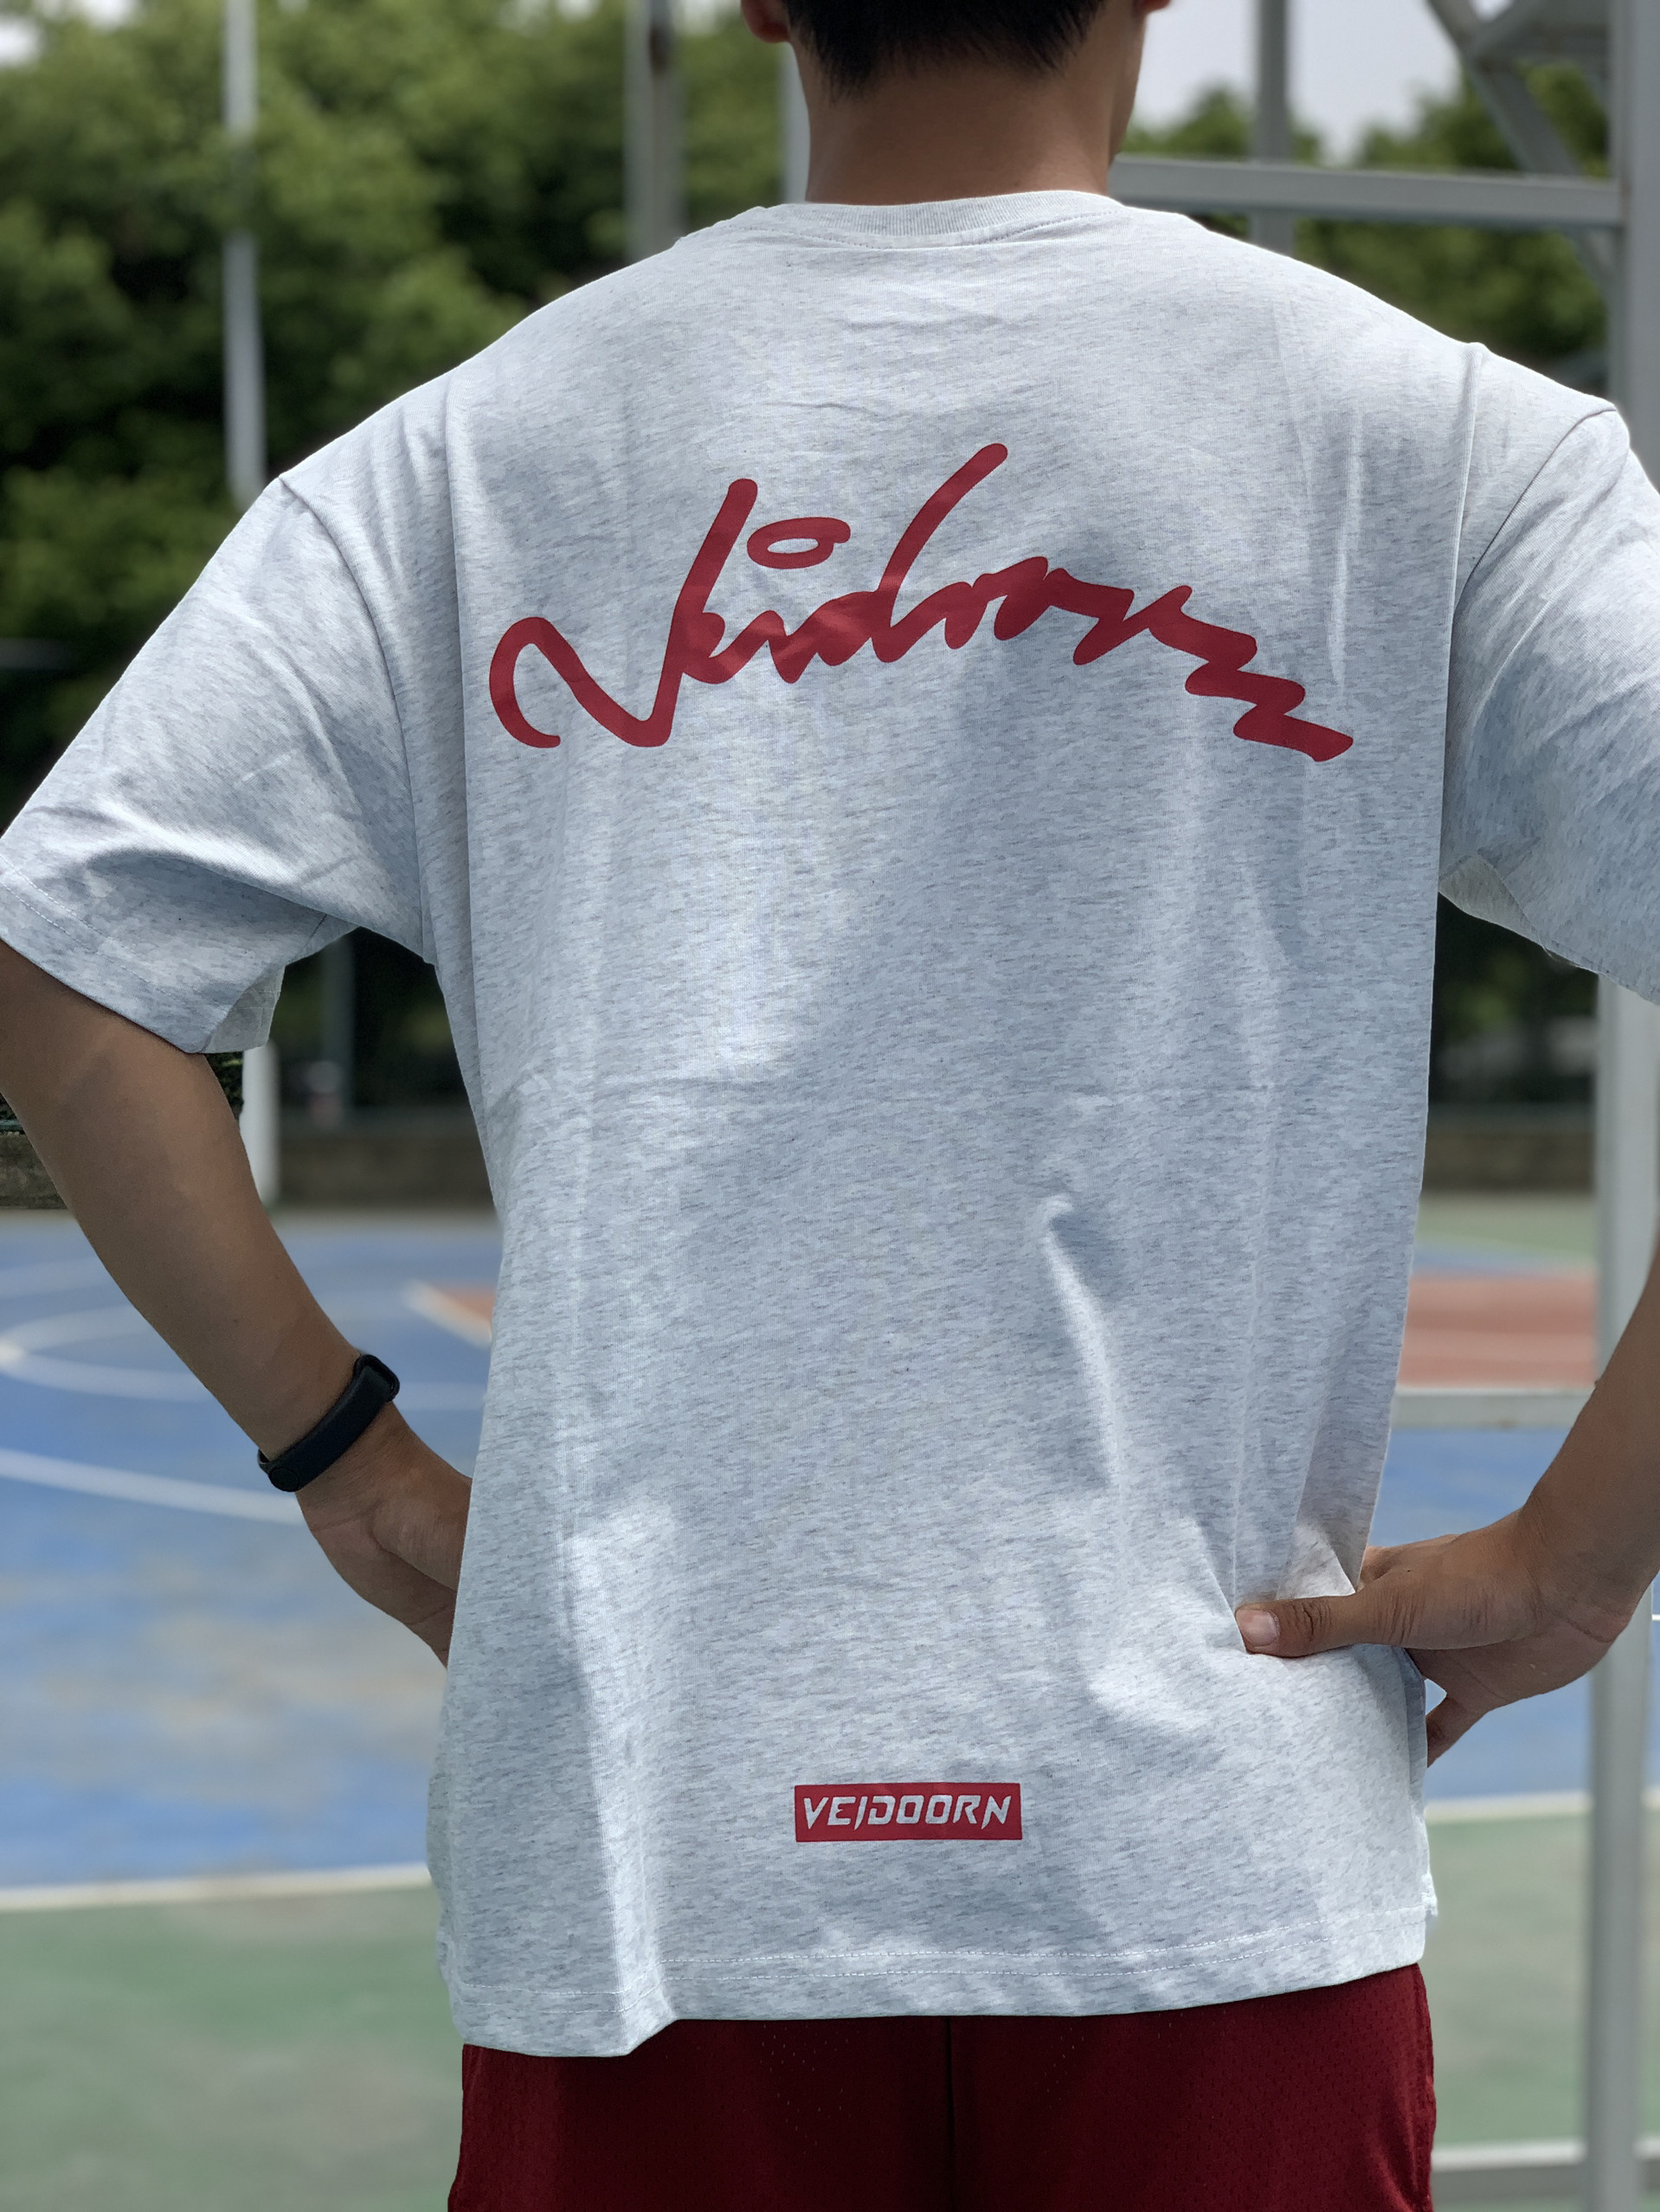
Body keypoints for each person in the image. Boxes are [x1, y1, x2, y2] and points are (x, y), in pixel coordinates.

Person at [2, 0, 1658, 2202]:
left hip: (658, 1867)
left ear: (763, 2)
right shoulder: (1428, 443)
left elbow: (64, 967)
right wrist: (1576, 1555)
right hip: (1213, 1859)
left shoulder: (466, 460)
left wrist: (354, 1466)